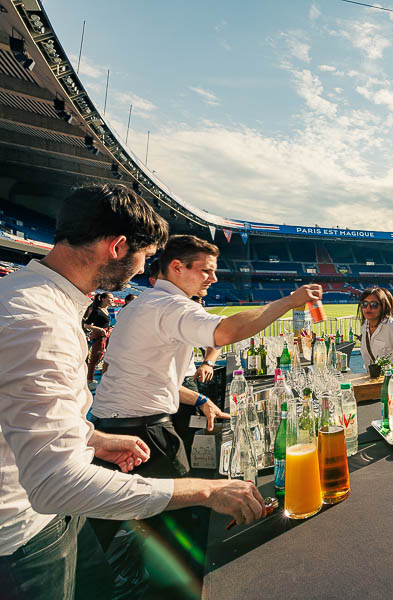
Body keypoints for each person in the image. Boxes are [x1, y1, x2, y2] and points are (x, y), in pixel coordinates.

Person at [0, 185, 265, 600]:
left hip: (44, 514)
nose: (143, 269)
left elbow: (19, 410)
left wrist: (93, 438)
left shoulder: (36, 299)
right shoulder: (38, 319)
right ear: (119, 247)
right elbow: (54, 482)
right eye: (143, 256)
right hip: (23, 531)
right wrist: (207, 489)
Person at [89, 235, 323, 567]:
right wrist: (288, 301)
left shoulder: (140, 304)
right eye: (206, 271)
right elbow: (226, 332)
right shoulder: (170, 305)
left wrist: (200, 400)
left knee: (106, 534)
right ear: (177, 267)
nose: (213, 279)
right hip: (145, 438)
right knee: (184, 530)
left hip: (110, 431)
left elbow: (145, 377)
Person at [358, 286, 393, 373]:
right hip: (373, 382)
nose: (368, 308)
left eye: (374, 305)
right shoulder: (364, 327)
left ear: (383, 306)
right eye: (365, 304)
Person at [83, 291, 114, 383]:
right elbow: (87, 325)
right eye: (110, 298)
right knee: (94, 358)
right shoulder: (97, 311)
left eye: (113, 298)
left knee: (105, 356)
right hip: (99, 335)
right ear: (103, 299)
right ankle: (89, 380)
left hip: (106, 335)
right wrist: (100, 329)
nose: (112, 300)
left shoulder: (107, 310)